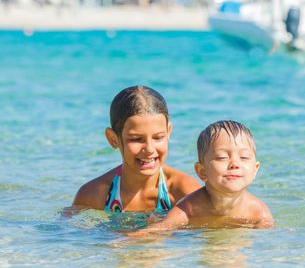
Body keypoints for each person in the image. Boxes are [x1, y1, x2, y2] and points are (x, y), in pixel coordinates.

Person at [127, 120, 274, 235]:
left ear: (255, 170)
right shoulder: (189, 207)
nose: (234, 164)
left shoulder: (257, 212)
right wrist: (130, 239)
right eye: (222, 157)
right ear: (201, 171)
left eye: (244, 157)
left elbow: (267, 242)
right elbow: (161, 228)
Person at [72, 85, 201, 212]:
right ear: (113, 139)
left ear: (168, 132)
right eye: (136, 139)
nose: (149, 149)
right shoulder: (94, 195)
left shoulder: (185, 193)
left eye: (158, 137)